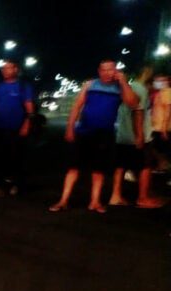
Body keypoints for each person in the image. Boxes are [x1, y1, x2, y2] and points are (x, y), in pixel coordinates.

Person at [50, 59, 139, 213]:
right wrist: (70, 128)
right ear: (99, 71)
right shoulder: (90, 85)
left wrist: (123, 82)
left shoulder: (121, 87)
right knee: (73, 167)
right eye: (104, 69)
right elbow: (77, 106)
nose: (107, 72)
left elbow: (133, 103)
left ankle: (95, 202)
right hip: (84, 131)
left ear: (116, 71)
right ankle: (63, 200)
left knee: (98, 169)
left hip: (104, 133)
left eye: (111, 69)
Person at [0, 59, 34, 197]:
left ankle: (17, 185)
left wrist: (27, 123)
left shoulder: (23, 86)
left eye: (8, 68)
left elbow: (29, 107)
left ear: (16, 69)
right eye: (3, 68)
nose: (5, 71)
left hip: (16, 129)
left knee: (17, 158)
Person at [110, 67, 159, 208]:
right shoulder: (141, 90)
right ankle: (142, 198)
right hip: (137, 135)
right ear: (150, 81)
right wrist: (139, 135)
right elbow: (137, 112)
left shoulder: (128, 88)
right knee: (145, 166)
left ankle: (115, 196)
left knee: (120, 166)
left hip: (122, 135)